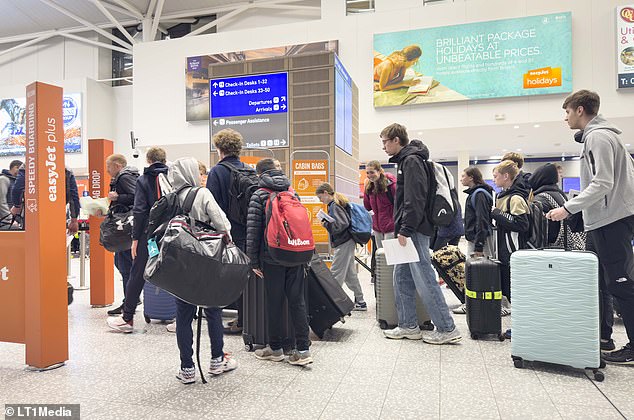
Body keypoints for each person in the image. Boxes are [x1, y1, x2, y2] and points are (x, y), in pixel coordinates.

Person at [547, 89, 634, 365]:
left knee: (621, 283)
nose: (566, 118)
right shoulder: (605, 137)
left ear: (581, 110)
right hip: (604, 219)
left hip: (610, 220)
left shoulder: (598, 136)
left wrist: (568, 208)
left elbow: (603, 183)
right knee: (602, 283)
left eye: (568, 112)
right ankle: (601, 336)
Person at [379, 123, 461, 344]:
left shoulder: (411, 161)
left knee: (425, 278)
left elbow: (415, 199)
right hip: (409, 230)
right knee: (401, 278)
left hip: (414, 230)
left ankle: (447, 328)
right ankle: (408, 325)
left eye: (386, 141)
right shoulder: (407, 161)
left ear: (397, 140)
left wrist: (405, 228)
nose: (384, 146)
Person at [168, 158, 237, 383]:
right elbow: (222, 224)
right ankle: (217, 360)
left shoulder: (169, 198)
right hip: (206, 261)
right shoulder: (202, 194)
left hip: (180, 264)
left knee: (183, 316)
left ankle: (187, 369)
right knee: (213, 311)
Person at [247, 158, 313, 366]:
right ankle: (302, 350)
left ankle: (275, 349)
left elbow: (253, 231)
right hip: (296, 253)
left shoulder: (259, 195)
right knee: (297, 301)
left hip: (272, 256)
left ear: (259, 175)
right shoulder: (292, 192)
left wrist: (253, 262)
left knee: (274, 303)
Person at [107, 147, 169, 333]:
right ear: (164, 160)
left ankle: (127, 318)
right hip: (170, 233)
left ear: (148, 160)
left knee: (137, 272)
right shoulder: (172, 177)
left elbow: (140, 210)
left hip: (149, 237)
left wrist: (135, 239)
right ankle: (180, 317)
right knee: (174, 271)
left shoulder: (144, 179)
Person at [206, 129, 249, 334]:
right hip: (249, 232)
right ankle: (246, 317)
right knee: (246, 276)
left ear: (219, 148)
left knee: (228, 277)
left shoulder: (217, 171)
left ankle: (235, 320)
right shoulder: (248, 170)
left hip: (228, 233)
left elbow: (212, 206)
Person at [315, 183, 367, 311]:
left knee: (336, 272)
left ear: (326, 193)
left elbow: (341, 224)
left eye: (321, 197)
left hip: (343, 242)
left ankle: (332, 304)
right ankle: (360, 301)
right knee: (350, 275)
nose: (321, 200)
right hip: (347, 241)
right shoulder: (337, 203)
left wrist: (326, 224)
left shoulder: (334, 206)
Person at [491, 160, 530, 326]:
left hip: (513, 250)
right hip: (504, 250)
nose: (494, 179)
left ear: (506, 176)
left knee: (515, 289)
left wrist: (497, 214)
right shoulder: (504, 196)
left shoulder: (515, 198)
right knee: (508, 286)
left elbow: (522, 224)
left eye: (496, 176)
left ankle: (522, 326)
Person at [104, 154, 139, 316]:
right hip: (125, 227)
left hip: (124, 228)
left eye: (109, 166)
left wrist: (118, 197)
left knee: (124, 265)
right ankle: (131, 298)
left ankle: (129, 302)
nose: (107, 170)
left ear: (118, 165)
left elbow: (136, 197)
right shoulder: (126, 176)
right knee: (121, 262)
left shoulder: (124, 177)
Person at [11, 165, 80, 234]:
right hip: (56, 213)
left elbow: (17, 189)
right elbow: (73, 196)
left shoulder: (29, 164)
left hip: (33, 213)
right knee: (55, 240)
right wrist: (74, 220)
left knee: (32, 239)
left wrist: (17, 205)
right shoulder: (65, 169)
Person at [362, 160, 396, 249]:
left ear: (379, 171)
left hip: (391, 227)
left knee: (390, 257)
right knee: (380, 256)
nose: (369, 175)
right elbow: (367, 206)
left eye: (372, 172)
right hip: (377, 228)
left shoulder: (391, 186)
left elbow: (399, 204)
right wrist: (366, 190)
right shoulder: (369, 187)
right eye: (367, 173)